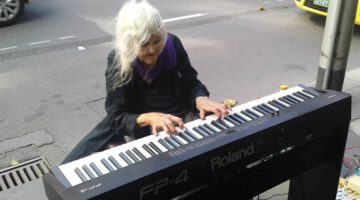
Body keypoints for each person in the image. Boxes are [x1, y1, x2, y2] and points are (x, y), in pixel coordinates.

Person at [62, 0, 229, 165]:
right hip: (146, 127)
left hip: (182, 116)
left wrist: (201, 98)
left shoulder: (172, 44)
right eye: (143, 44)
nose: (152, 50)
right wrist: (149, 117)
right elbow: (117, 116)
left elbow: (191, 82)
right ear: (129, 44)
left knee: (222, 142)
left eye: (157, 41)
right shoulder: (119, 61)